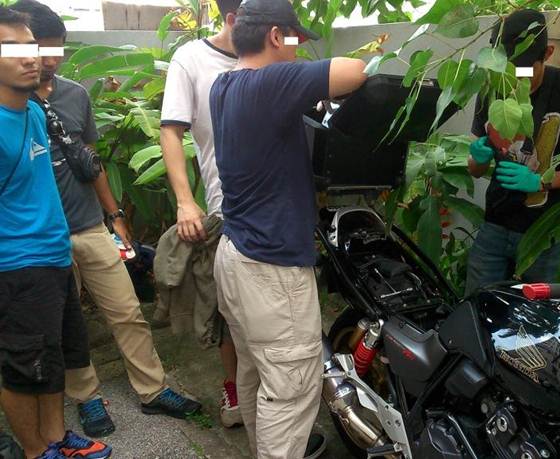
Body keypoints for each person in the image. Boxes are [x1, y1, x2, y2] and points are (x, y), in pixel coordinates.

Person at [10, 0, 201, 439]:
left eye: (59, 48)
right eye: (44, 48)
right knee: (66, 324)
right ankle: (87, 397)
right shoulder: (12, 105)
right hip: (41, 238)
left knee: (127, 311)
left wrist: (114, 214)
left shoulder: (75, 94)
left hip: (88, 226)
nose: (54, 59)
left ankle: (153, 390)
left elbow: (89, 160)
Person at [209, 0, 367, 456]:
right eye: (295, 40)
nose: (298, 51)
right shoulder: (269, 82)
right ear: (276, 36)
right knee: (292, 389)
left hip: (236, 254)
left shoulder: (225, 85)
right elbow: (352, 71)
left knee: (257, 373)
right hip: (271, 270)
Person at [0, 6, 112, 458]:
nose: (31, 58)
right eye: (13, 49)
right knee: (22, 369)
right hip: (17, 267)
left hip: (52, 256)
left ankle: (55, 440)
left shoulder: (30, 111)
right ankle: (33, 451)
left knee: (50, 361)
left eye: (32, 47)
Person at [465, 9, 560, 295]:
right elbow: (474, 169)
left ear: (548, 53)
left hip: (548, 233)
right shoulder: (493, 88)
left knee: (543, 320)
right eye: (509, 69)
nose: (516, 79)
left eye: (525, 69)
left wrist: (541, 181)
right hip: (496, 226)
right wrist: (478, 157)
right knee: (478, 304)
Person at [159, 0, 246, 433]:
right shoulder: (191, 58)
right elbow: (171, 129)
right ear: (232, 17)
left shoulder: (272, 54)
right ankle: (234, 388)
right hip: (225, 207)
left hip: (277, 207)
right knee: (228, 309)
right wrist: (184, 200)